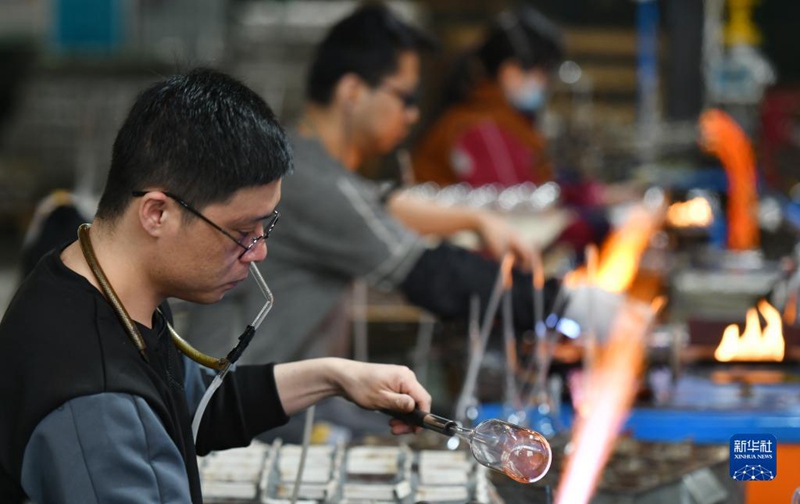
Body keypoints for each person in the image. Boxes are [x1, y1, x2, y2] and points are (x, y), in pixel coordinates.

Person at [0, 68, 431, 503]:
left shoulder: (98, 283)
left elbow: (195, 406)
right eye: (242, 231)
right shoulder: (97, 406)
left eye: (266, 226)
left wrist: (336, 377)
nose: (258, 251)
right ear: (157, 214)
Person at [184, 3, 558, 370]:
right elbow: (433, 275)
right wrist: (566, 305)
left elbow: (379, 203)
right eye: (405, 98)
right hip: (232, 405)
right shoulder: (306, 178)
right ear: (352, 91)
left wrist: (475, 221)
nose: (412, 115)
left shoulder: (304, 162)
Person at [412, 4, 564, 188]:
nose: (545, 85)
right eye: (543, 73)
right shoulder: (482, 131)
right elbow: (513, 208)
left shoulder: (502, 121)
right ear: (511, 72)